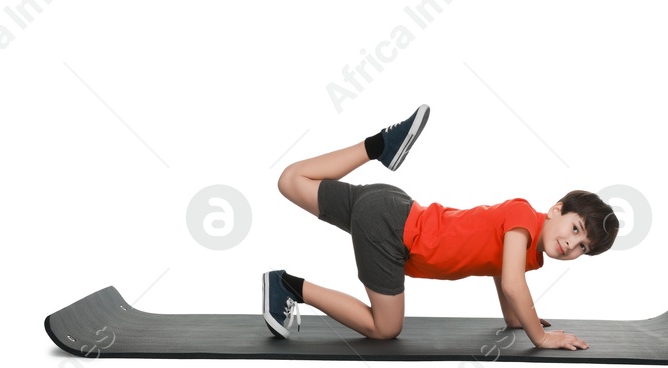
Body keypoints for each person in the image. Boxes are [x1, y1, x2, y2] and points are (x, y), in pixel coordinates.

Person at [264, 105, 617, 350]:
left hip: (393, 207)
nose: (572, 246)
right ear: (556, 209)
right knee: (385, 329)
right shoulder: (524, 217)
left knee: (290, 180)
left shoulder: (525, 248)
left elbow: (504, 277)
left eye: (583, 247)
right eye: (575, 229)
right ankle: (289, 287)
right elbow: (512, 282)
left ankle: (377, 147)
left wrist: (517, 321)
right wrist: (538, 336)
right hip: (391, 232)